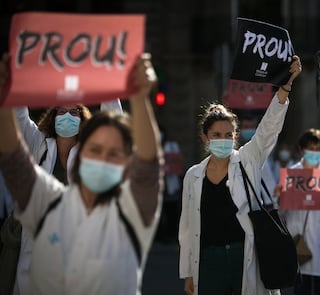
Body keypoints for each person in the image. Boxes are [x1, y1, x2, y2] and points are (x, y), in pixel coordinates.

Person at [0, 53, 163, 295]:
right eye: (95, 151)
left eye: (109, 154)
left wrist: (136, 97)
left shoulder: (130, 208)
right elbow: (15, 143)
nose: (100, 159)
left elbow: (146, 164)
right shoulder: (48, 192)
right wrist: (11, 89)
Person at [178, 55, 302, 295]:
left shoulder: (248, 159)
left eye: (228, 134)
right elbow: (186, 229)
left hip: (243, 257)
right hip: (208, 262)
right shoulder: (193, 176)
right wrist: (188, 273)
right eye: (216, 135)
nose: (223, 140)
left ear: (235, 136)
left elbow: (269, 129)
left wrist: (285, 87)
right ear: (204, 138)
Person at [281, 128, 320, 295]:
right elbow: (282, 210)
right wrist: (281, 197)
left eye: (317, 149)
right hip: (300, 244)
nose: (314, 153)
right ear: (301, 150)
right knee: (301, 288)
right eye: (310, 149)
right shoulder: (292, 174)